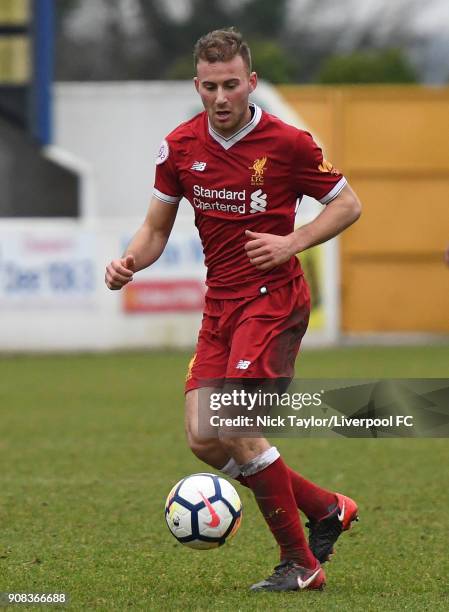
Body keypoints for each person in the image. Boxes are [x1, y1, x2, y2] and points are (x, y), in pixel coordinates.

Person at [105, 28, 361, 593]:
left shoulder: (288, 143)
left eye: (231, 85)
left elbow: (348, 204)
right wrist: (129, 261)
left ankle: (302, 565)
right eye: (210, 86)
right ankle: (325, 508)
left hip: (273, 303)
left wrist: (290, 242)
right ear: (197, 86)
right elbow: (154, 229)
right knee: (203, 436)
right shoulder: (179, 147)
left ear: (251, 83)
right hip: (220, 304)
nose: (221, 97)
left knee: (236, 424)